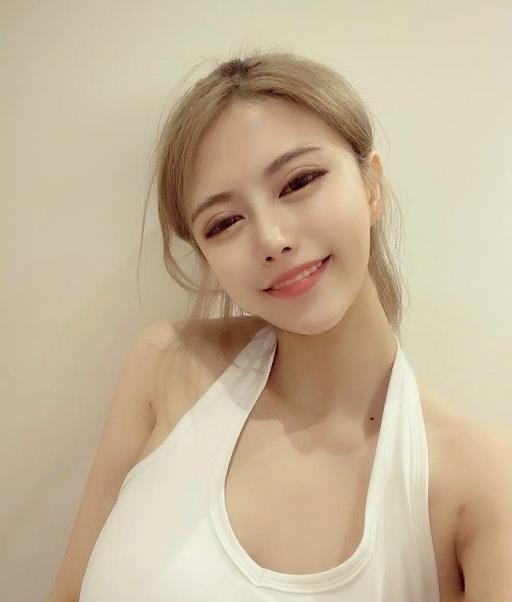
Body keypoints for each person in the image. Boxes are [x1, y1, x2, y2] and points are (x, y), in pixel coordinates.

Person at [47, 50, 501, 602]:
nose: (272, 239)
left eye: (299, 181)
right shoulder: (167, 366)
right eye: (224, 222)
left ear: (372, 187)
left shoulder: (480, 480)